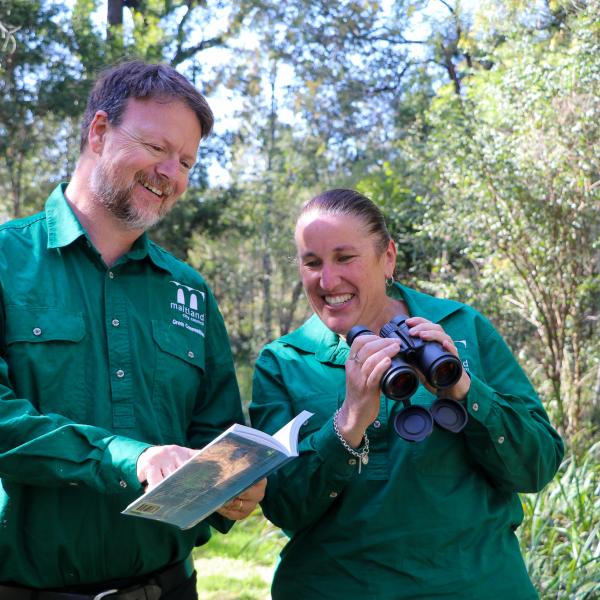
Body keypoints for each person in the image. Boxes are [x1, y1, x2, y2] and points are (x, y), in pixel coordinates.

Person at [0, 60, 265, 598]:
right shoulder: (6, 261)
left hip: (166, 588)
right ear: (99, 132)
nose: (172, 173)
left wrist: (230, 485)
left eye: (187, 161)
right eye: (157, 148)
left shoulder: (189, 291)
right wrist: (132, 457)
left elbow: (211, 431)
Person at [250, 188, 564, 599]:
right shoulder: (284, 362)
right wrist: (348, 422)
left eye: (345, 258)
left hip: (479, 585)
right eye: (312, 263)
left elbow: (536, 466)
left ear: (388, 258)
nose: (328, 280)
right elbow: (283, 506)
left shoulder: (462, 327)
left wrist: (464, 390)